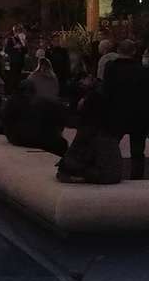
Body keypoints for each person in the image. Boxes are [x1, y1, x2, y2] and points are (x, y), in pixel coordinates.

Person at [103, 39, 149, 180]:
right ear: (134, 52)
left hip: (116, 113)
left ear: (118, 51)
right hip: (138, 115)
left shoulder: (110, 68)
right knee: (137, 151)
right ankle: (137, 177)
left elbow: (106, 91)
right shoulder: (142, 71)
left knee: (111, 146)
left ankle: (109, 172)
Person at [57, 90, 122, 185]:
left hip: (101, 174)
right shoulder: (107, 129)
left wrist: (66, 165)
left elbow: (75, 155)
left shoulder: (89, 130)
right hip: (111, 173)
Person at [2, 82, 68, 156]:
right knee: (61, 144)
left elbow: (5, 121)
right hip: (25, 136)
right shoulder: (41, 102)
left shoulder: (14, 101)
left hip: (19, 136)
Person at [4, 24, 28, 94]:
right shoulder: (10, 39)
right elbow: (6, 50)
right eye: (18, 31)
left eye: (20, 31)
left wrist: (24, 45)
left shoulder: (22, 40)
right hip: (13, 61)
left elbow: (25, 51)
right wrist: (15, 47)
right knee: (12, 77)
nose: (20, 32)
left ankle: (17, 91)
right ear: (15, 32)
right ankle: (10, 91)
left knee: (18, 77)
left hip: (20, 61)